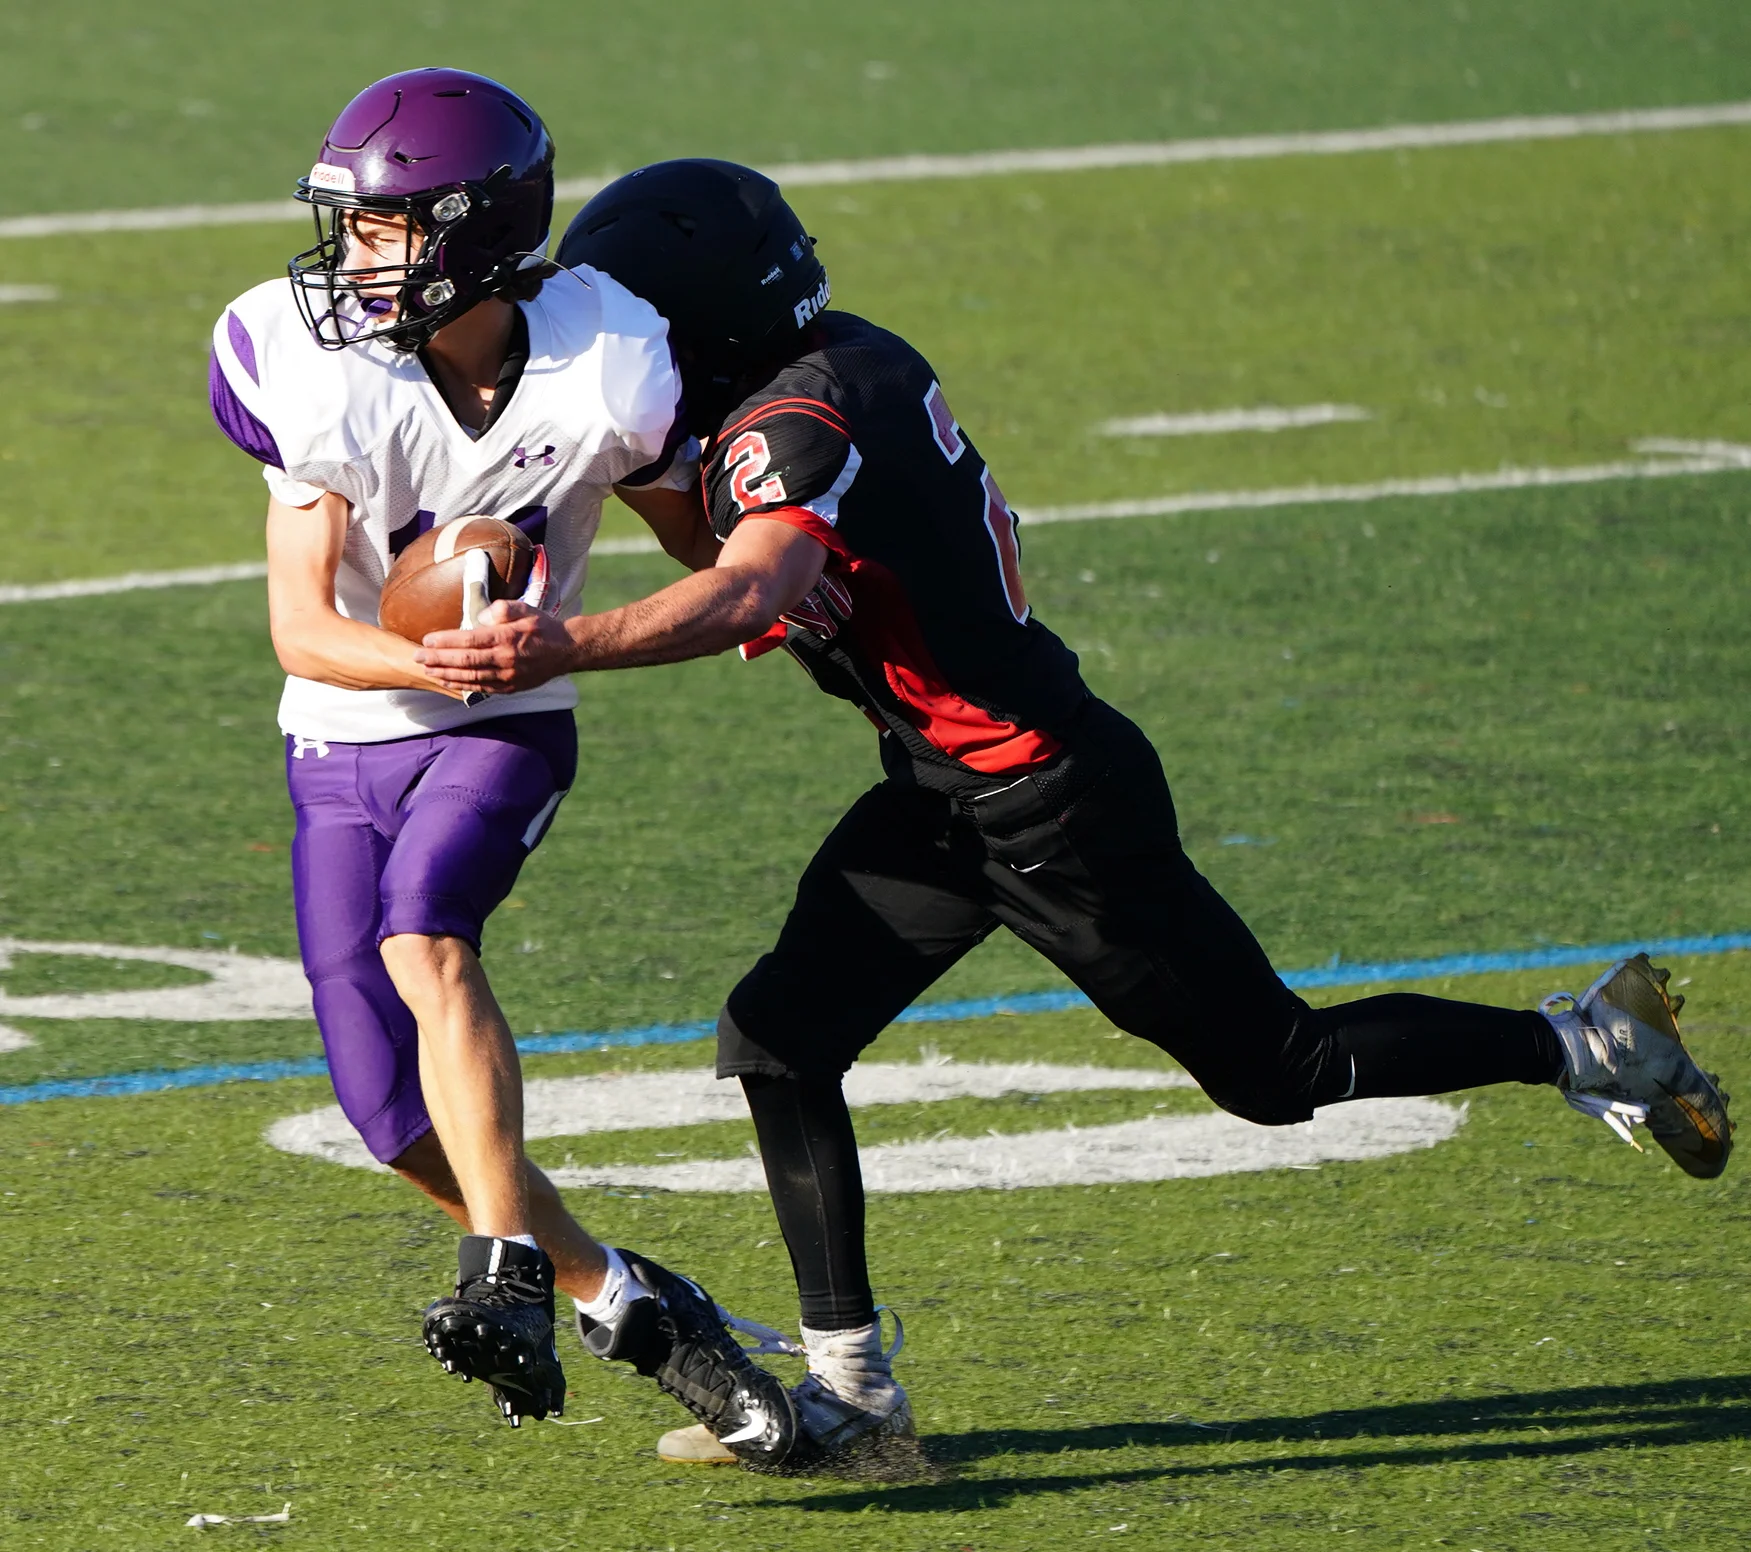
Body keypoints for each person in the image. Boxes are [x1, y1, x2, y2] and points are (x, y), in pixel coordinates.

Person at [415, 158, 1734, 1467]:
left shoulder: (792, 424)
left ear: (694, 324)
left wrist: (560, 640)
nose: (609, 348)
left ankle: (1586, 1044)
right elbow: (724, 543)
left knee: (1277, 1071)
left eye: (632, 325)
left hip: (1051, 803)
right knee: (775, 1036)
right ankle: (853, 1394)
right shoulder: (813, 374)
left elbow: (751, 584)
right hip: (944, 792)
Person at [208, 84, 793, 1463]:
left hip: (503, 729)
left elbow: (690, 531)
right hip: (343, 732)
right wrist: (430, 661)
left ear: (478, 239)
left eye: (388, 230)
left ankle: (498, 1268)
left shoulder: (607, 359)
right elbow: (301, 624)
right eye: (349, 229)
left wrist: (750, 594)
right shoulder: (311, 361)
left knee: (427, 929)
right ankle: (626, 1298)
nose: (355, 259)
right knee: (387, 1110)